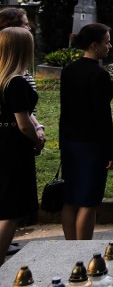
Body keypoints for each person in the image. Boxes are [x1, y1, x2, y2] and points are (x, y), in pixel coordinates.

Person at [60, 22, 113, 240]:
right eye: (107, 42)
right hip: (91, 143)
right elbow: (103, 117)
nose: (109, 46)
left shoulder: (69, 70)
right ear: (94, 45)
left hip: (69, 140)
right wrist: (109, 151)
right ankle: (81, 248)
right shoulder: (99, 75)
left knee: (71, 196)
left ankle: (69, 244)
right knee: (89, 199)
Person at [0, 27, 43, 259]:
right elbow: (23, 123)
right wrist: (36, 140)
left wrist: (37, 126)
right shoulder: (16, 82)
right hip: (12, 147)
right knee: (10, 209)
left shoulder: (2, 78)